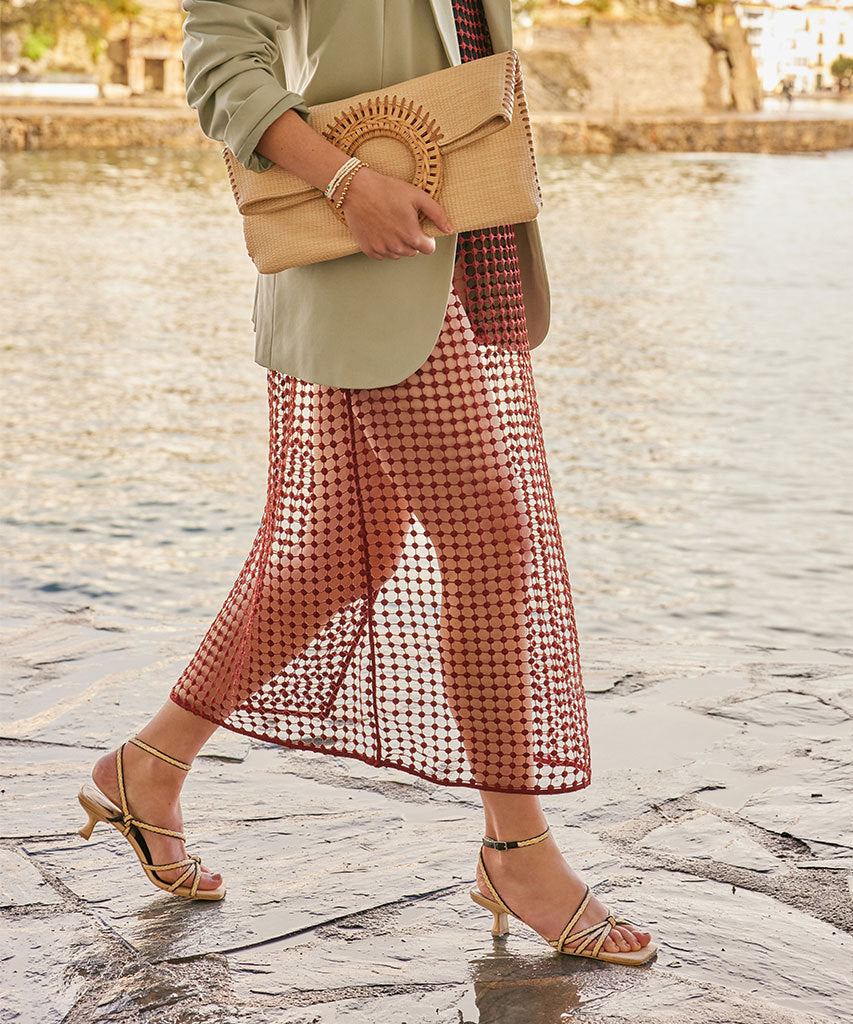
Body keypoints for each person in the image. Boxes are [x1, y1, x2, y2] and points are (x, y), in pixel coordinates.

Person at [76, 0, 656, 965]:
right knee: (491, 540)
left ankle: (149, 766)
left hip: (457, 240)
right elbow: (219, 59)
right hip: (361, 246)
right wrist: (346, 181)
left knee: (345, 553)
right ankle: (516, 849)